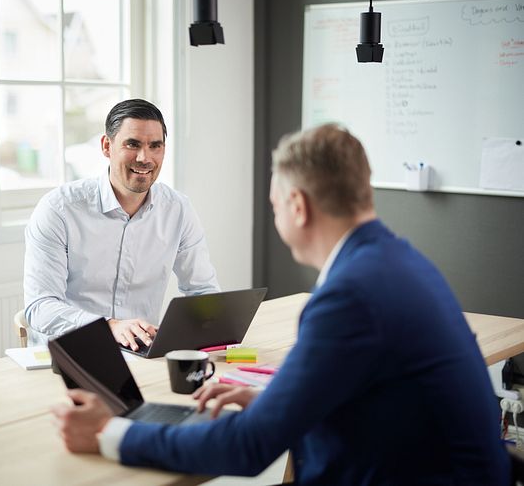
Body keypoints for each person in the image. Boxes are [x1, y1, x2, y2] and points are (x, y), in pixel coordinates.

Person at [50, 124, 509, 485]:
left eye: (273, 206)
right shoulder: (400, 260)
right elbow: (369, 389)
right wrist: (281, 400)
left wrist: (108, 433)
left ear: (297, 205)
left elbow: (249, 449)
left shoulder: (347, 297)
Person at [23, 99, 219, 349]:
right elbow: (40, 307)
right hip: (69, 354)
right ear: (107, 146)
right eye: (132, 144)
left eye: (155, 146)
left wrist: (211, 325)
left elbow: (203, 292)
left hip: (140, 352)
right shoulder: (58, 210)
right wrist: (109, 326)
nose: (144, 158)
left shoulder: (178, 210)